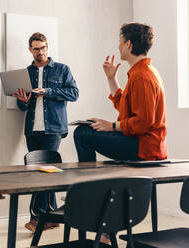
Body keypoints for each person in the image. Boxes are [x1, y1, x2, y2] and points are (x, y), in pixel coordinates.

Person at [73, 23, 167, 244]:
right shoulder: (140, 73)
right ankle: (104, 222)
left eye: (120, 41)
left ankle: (89, 199)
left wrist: (111, 127)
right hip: (139, 141)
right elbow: (126, 110)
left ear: (128, 44)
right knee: (85, 131)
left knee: (82, 134)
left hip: (144, 146)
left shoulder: (142, 76)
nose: (118, 46)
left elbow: (144, 123)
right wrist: (111, 78)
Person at [12, 32, 79, 233]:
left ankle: (36, 217)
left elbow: (74, 93)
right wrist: (23, 101)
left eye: (42, 48)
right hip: (32, 130)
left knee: (43, 173)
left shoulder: (62, 69)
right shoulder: (26, 73)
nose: (39, 52)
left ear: (47, 47)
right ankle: (51, 216)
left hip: (53, 130)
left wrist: (47, 91)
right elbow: (21, 106)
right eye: (35, 48)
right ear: (30, 49)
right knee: (40, 172)